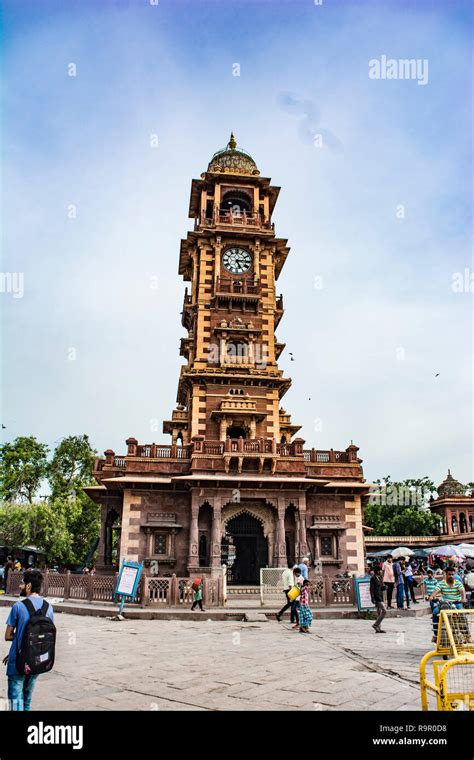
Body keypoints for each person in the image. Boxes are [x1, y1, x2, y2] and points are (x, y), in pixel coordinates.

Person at [3, 569, 55, 711]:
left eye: (22, 583)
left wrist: (18, 645)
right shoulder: (48, 607)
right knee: (27, 701)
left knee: (15, 702)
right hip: (37, 660)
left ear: (29, 586)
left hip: (17, 661)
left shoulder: (18, 606)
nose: (20, 586)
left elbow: (8, 636)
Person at [429, 567, 466, 643]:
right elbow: (436, 590)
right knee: (435, 612)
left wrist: (463, 599)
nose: (451, 576)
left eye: (452, 574)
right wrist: (432, 596)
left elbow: (462, 591)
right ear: (445, 574)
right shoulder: (441, 583)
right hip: (445, 603)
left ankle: (467, 635)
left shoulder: (458, 583)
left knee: (462, 614)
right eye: (449, 574)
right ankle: (436, 634)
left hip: (457, 602)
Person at [370, 565, 386, 633]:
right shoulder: (373, 578)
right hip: (377, 597)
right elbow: (371, 589)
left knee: (379, 613)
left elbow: (381, 588)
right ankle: (375, 625)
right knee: (384, 611)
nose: (381, 571)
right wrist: (372, 598)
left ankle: (378, 629)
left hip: (381, 596)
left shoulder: (380, 577)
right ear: (377, 571)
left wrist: (385, 587)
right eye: (380, 570)